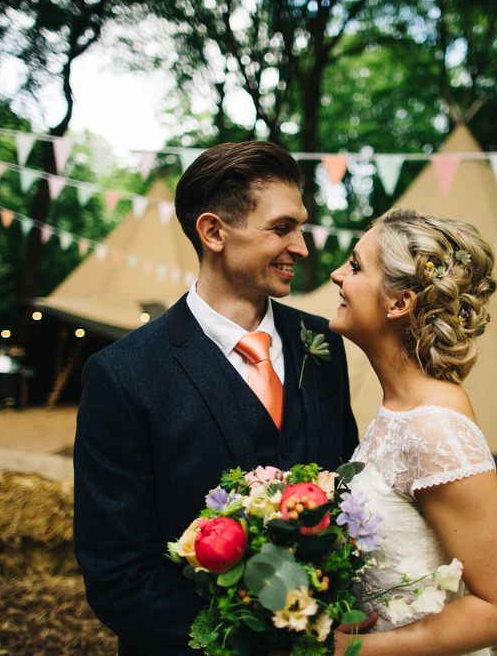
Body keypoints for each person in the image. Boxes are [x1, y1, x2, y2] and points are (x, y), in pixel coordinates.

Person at [73, 141, 359, 656]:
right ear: (213, 232)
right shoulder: (122, 374)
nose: (302, 247)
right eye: (282, 228)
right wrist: (267, 638)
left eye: (300, 227)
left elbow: (347, 494)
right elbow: (117, 574)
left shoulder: (323, 345)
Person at [329, 209, 497, 655]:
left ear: (398, 302)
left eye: (355, 266)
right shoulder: (395, 411)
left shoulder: (433, 425)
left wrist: (348, 652)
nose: (336, 275)